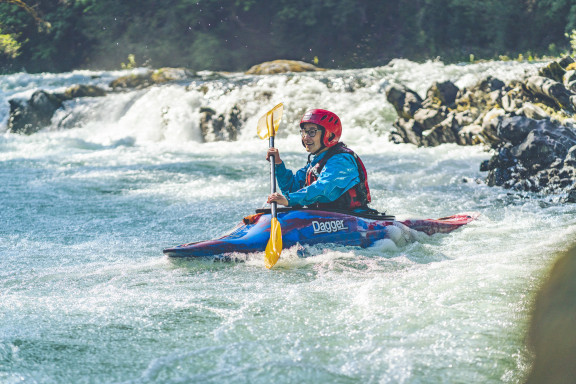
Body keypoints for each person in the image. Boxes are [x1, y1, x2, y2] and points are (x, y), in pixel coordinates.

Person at [266, 108, 371, 211]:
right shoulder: (316, 162)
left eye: (312, 132)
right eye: (303, 132)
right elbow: (292, 189)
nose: (305, 137)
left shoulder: (342, 160)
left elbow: (323, 188)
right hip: (324, 218)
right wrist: (278, 164)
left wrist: (289, 200)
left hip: (353, 219)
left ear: (329, 135)